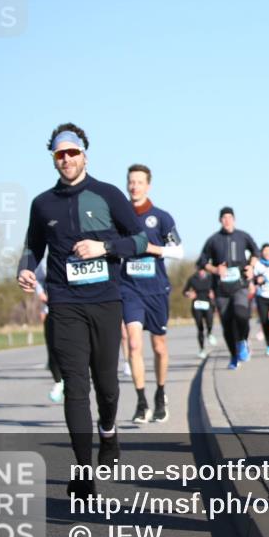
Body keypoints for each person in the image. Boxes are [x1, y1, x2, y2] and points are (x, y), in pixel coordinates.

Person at [16, 123, 149, 497]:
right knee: (76, 387)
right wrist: (25, 269)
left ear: (84, 155)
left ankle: (109, 433)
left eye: (72, 152)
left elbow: (138, 239)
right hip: (65, 304)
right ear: (54, 159)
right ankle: (82, 472)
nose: (67, 159)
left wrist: (103, 249)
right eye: (60, 154)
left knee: (106, 387)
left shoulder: (107, 195)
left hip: (105, 302)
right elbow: (32, 247)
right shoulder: (43, 204)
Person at [119, 164, 183, 424]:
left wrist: (154, 249)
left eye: (139, 182)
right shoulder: (118, 216)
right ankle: (141, 400)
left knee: (159, 347)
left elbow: (179, 251)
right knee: (133, 344)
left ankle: (160, 394)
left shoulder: (161, 217)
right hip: (129, 288)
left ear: (148, 186)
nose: (134, 186)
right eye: (131, 182)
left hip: (156, 289)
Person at [196, 207, 260, 370]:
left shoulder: (242, 236)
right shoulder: (213, 240)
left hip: (240, 284)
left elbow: (255, 251)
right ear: (220, 220)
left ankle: (243, 341)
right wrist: (215, 269)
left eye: (230, 217)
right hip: (221, 288)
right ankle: (233, 356)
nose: (227, 220)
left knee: (241, 315)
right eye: (224, 218)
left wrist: (251, 266)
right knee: (227, 324)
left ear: (234, 219)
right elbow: (202, 261)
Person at [34, 259, 63, 403]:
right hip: (50, 309)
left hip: (75, 308)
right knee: (52, 348)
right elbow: (38, 280)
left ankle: (71, 380)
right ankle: (58, 382)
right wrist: (40, 294)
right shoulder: (44, 262)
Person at [183, 267, 217, 357]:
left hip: (208, 303)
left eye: (203, 269)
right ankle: (202, 350)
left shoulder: (211, 278)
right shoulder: (192, 278)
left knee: (210, 322)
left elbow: (218, 288)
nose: (201, 271)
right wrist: (189, 294)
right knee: (200, 328)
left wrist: (214, 293)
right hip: (197, 305)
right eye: (200, 269)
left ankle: (209, 334)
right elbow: (185, 291)